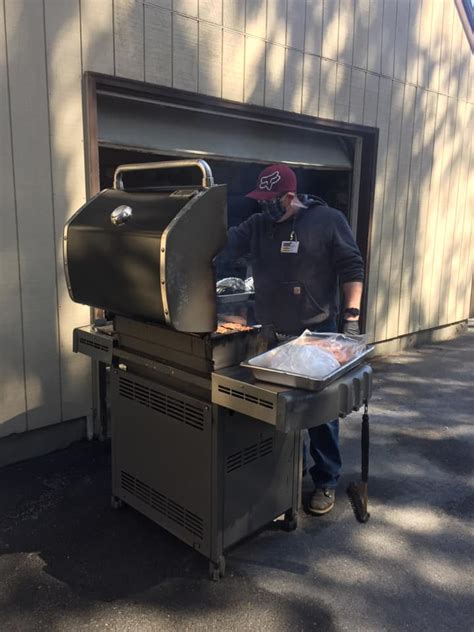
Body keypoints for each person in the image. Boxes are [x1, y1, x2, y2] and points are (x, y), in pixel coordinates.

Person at [220, 164, 364, 515]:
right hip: (272, 334)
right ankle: (289, 473)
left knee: (320, 415)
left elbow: (352, 267)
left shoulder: (327, 220)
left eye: (270, 200)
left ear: (289, 195)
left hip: (315, 333)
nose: (264, 206)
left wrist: (351, 320)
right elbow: (222, 246)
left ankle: (326, 480)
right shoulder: (258, 226)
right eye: (260, 200)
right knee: (279, 411)